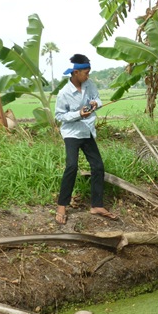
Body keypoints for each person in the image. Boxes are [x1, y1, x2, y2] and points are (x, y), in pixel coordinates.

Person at [54, 54, 118, 225]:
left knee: (98, 166)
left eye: (88, 73)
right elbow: (59, 115)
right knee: (72, 166)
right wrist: (78, 114)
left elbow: (97, 98)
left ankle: (96, 205)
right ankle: (61, 205)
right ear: (75, 73)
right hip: (72, 133)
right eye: (86, 73)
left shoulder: (89, 84)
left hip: (87, 130)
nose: (88, 76)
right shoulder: (64, 93)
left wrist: (96, 104)